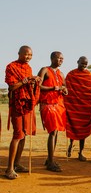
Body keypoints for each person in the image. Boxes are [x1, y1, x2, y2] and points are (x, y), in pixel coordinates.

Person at [4, 45, 41, 179]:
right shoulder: (11, 67)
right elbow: (12, 86)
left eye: (30, 55)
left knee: (24, 134)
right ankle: (9, 169)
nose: (28, 57)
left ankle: (17, 164)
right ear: (19, 53)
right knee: (18, 135)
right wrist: (24, 81)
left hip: (27, 104)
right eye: (26, 54)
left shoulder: (28, 68)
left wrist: (34, 81)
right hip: (17, 105)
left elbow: (28, 85)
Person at [37, 51, 68, 172]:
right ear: (52, 58)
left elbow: (65, 87)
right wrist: (53, 88)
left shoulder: (61, 73)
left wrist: (65, 90)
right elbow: (38, 86)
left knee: (56, 132)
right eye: (59, 58)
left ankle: (50, 158)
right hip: (48, 104)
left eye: (62, 58)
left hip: (59, 104)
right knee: (53, 132)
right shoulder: (44, 70)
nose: (61, 60)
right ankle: (50, 162)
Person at [64, 56, 91, 161]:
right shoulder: (71, 74)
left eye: (85, 64)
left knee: (84, 129)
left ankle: (81, 152)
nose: (83, 65)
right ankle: (71, 145)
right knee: (73, 127)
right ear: (77, 62)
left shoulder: (89, 75)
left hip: (85, 108)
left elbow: (90, 91)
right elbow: (67, 90)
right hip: (74, 106)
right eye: (82, 63)